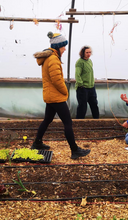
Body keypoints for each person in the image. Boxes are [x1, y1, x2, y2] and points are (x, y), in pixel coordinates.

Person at [32, 31, 91, 159]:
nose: (65, 49)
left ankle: (37, 143)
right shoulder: (53, 59)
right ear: (58, 46)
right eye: (64, 46)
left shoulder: (50, 57)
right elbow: (57, 80)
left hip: (51, 96)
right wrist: (65, 91)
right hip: (56, 97)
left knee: (47, 120)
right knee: (68, 122)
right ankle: (75, 150)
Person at [75, 46, 99, 119]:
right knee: (82, 106)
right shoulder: (79, 62)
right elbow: (77, 74)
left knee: (94, 104)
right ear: (83, 53)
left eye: (90, 52)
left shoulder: (90, 61)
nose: (88, 54)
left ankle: (97, 120)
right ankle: (79, 122)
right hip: (83, 88)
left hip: (91, 87)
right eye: (87, 52)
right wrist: (81, 85)